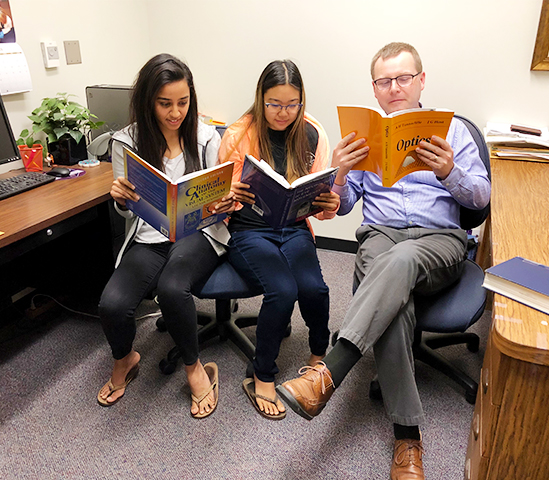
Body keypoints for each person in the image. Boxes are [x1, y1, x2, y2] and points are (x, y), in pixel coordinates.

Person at [277, 42, 491, 479]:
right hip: (379, 235)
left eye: (403, 78)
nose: (394, 87)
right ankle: (407, 440)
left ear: (421, 80)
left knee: (403, 259)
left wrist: (449, 171)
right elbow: (337, 206)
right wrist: (337, 171)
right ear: (374, 89)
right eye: (383, 81)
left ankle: (329, 371)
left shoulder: (453, 133)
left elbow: (482, 200)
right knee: (394, 305)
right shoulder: (363, 136)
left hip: (439, 240)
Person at [97, 54, 234, 419]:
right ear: (147, 101)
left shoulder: (205, 136)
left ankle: (194, 368)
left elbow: (218, 194)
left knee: (173, 288)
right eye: (165, 104)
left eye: (183, 102)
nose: (176, 113)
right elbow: (125, 210)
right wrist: (121, 199)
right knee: (111, 305)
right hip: (149, 235)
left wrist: (224, 202)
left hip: (198, 233)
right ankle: (126, 357)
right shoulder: (126, 141)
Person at [218, 59, 340, 420]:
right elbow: (217, 206)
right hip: (249, 229)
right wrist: (229, 195)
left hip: (294, 226)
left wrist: (328, 204)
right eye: (274, 104)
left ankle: (319, 358)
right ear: (261, 98)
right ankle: (262, 374)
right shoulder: (239, 135)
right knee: (282, 290)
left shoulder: (313, 132)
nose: (283, 113)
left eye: (292, 104)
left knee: (315, 288)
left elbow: (320, 204)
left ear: (302, 101)